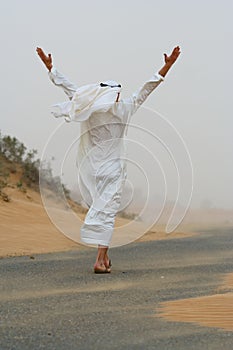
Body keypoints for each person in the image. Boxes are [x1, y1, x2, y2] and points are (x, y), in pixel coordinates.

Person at [36, 46, 181, 273]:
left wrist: (51, 68)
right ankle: (99, 261)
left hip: (92, 170)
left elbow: (70, 90)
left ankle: (103, 258)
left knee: (103, 212)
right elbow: (147, 89)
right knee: (107, 213)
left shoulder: (90, 108)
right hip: (111, 170)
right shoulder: (124, 108)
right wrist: (167, 67)